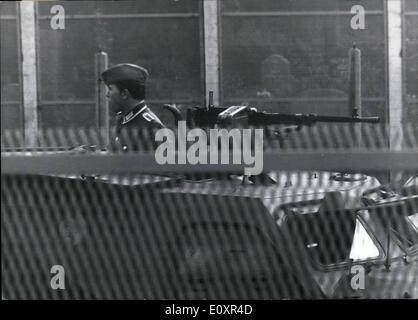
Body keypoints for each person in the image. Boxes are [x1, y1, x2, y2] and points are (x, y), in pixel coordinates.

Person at [101, 63, 165, 152]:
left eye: (110, 89)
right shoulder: (124, 120)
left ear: (124, 93)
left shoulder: (151, 128)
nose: (107, 94)